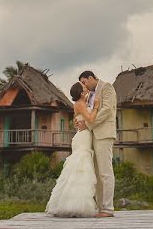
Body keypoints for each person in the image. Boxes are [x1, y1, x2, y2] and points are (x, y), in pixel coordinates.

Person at [45, 82, 100, 217]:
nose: (86, 88)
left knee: (79, 170)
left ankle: (74, 203)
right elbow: (91, 119)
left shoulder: (82, 102)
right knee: (81, 169)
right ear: (81, 93)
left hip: (82, 136)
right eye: (83, 88)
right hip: (83, 137)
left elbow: (82, 113)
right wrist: (96, 107)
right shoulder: (80, 104)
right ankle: (76, 206)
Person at [79, 70, 117, 218]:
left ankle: (108, 208)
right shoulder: (89, 95)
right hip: (92, 135)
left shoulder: (106, 87)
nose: (84, 86)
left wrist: (88, 124)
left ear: (91, 78)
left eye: (84, 82)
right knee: (96, 173)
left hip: (104, 134)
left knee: (105, 172)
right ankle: (101, 207)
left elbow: (107, 110)